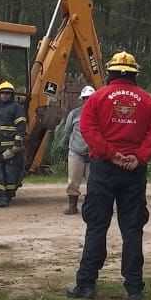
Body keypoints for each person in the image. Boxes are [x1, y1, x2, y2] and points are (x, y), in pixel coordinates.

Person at [67, 51, 151, 300]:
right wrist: (139, 157)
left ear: (110, 73)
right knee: (132, 229)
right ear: (134, 75)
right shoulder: (148, 101)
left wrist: (110, 154)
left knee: (97, 225)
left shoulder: (97, 98)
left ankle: (86, 284)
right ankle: (134, 288)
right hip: (134, 172)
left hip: (103, 169)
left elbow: (88, 128)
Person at [0, 81, 27, 207]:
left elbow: (21, 127)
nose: (5, 95)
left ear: (12, 95)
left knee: (10, 171)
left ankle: (6, 197)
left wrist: (15, 148)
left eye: (8, 93)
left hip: (10, 146)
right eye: (3, 93)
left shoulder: (17, 107)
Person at [58, 85, 96, 215]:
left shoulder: (101, 114)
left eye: (90, 98)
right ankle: (72, 206)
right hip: (76, 152)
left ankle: (93, 207)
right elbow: (67, 132)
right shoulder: (74, 114)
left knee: (94, 181)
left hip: (94, 153)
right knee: (73, 181)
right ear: (82, 99)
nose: (88, 100)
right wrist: (63, 146)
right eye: (86, 98)